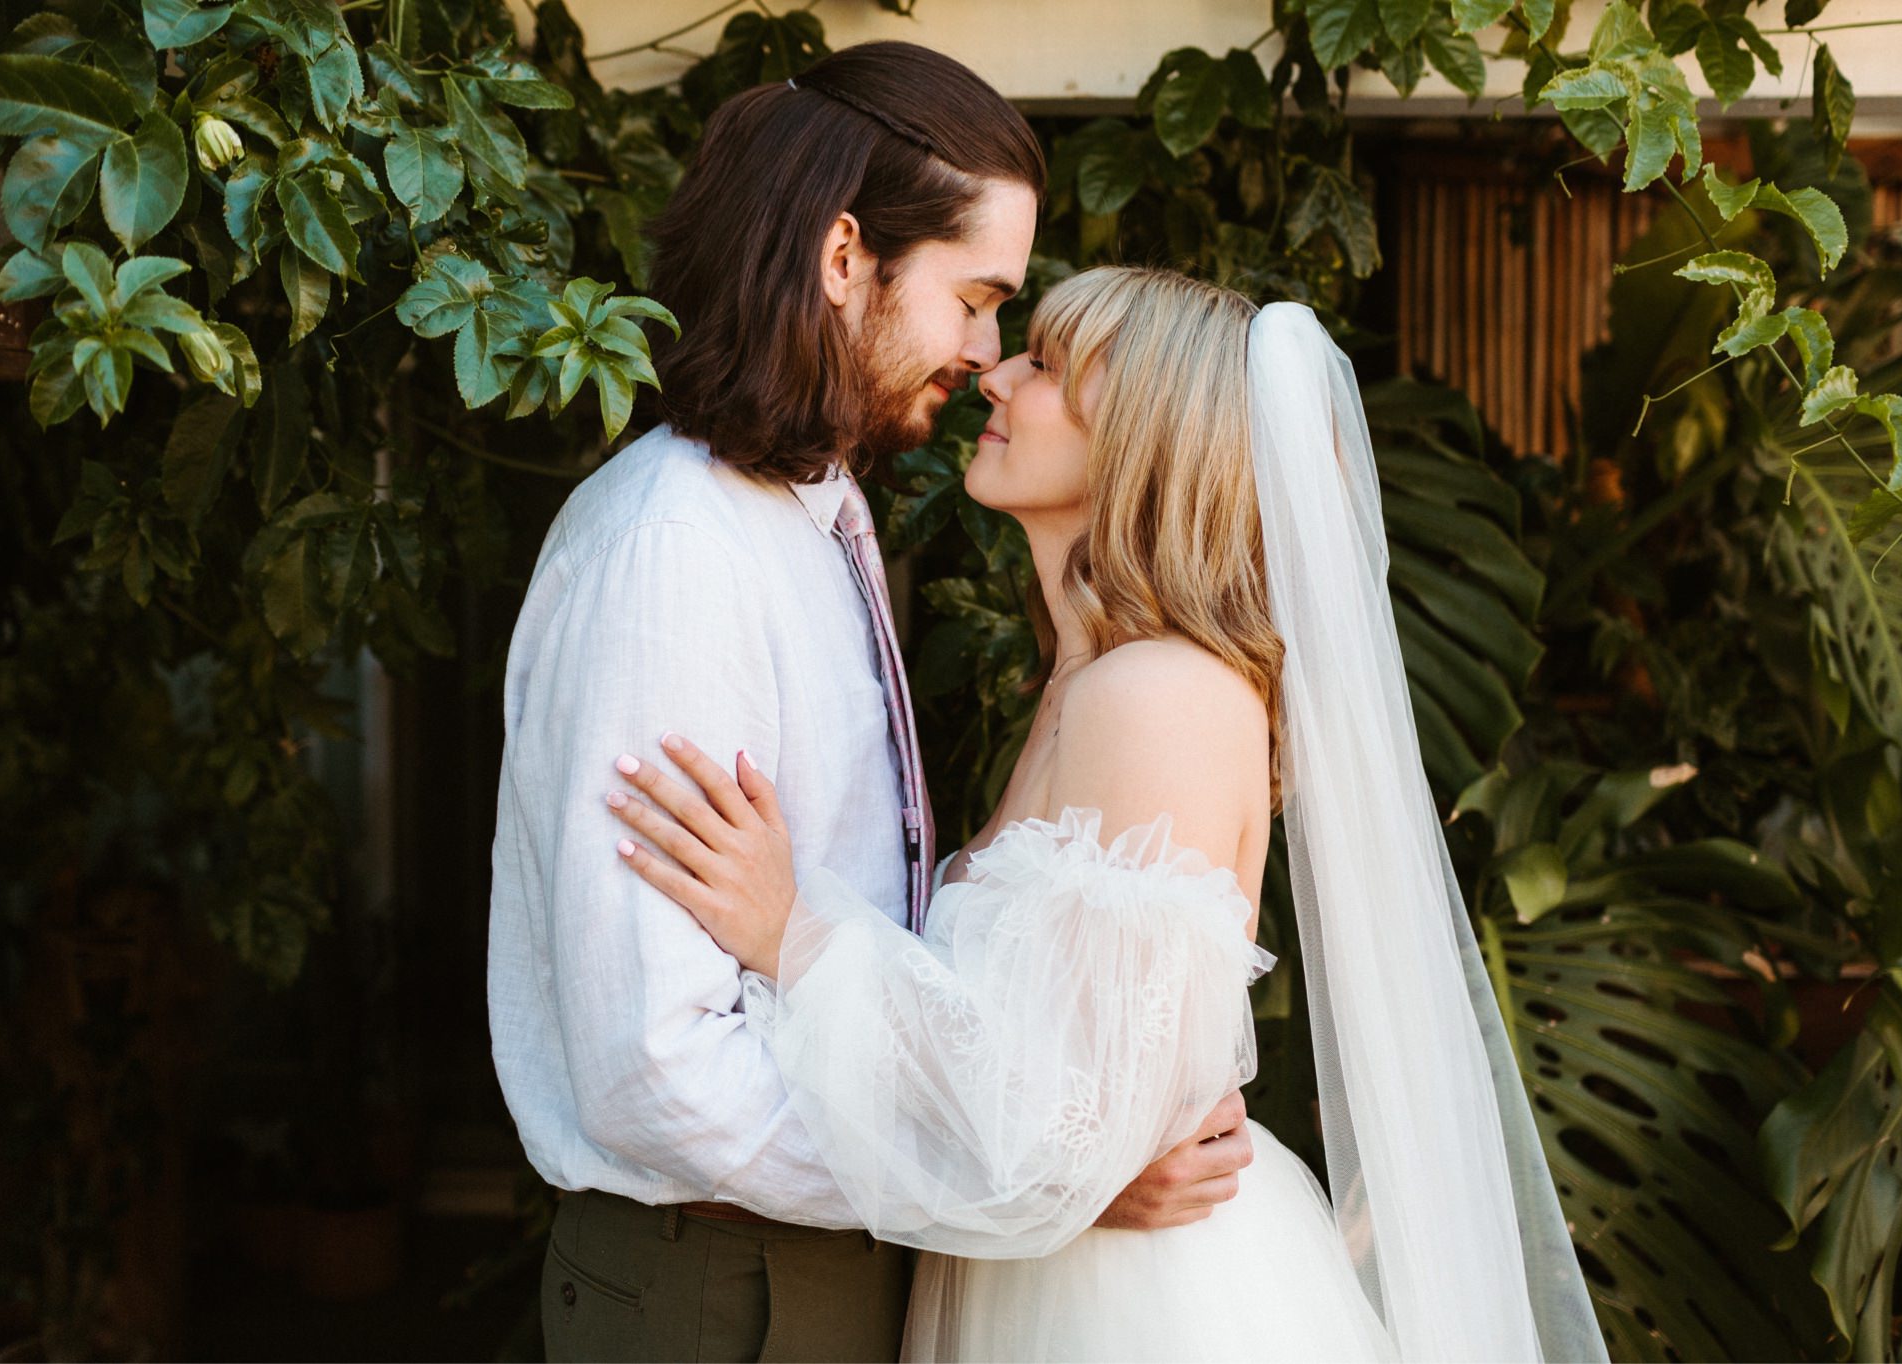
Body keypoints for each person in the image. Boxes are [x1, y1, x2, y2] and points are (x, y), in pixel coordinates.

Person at [608, 268, 1613, 1362]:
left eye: (1045, 365)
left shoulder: (1157, 697)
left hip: (1134, 1308)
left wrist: (792, 932)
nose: (995, 375)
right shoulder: (1090, 680)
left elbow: (1071, 1124)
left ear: (1141, 440)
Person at [487, 50, 1256, 1364]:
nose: (986, 355)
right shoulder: (677, 553)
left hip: (841, 1262)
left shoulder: (825, 509)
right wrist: (1023, 1188)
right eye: (976, 300)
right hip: (727, 1284)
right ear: (845, 258)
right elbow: (657, 1073)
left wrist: (1025, 1175)